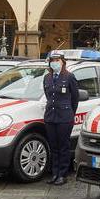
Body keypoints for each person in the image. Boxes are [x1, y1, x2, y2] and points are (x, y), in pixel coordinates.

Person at [44, 51, 79, 185]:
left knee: (63, 146)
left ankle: (62, 175)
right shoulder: (47, 77)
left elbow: (75, 98)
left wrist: (70, 113)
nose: (54, 63)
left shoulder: (69, 77)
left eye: (57, 60)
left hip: (64, 118)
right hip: (50, 117)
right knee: (53, 146)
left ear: (63, 62)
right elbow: (48, 96)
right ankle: (54, 173)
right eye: (52, 60)